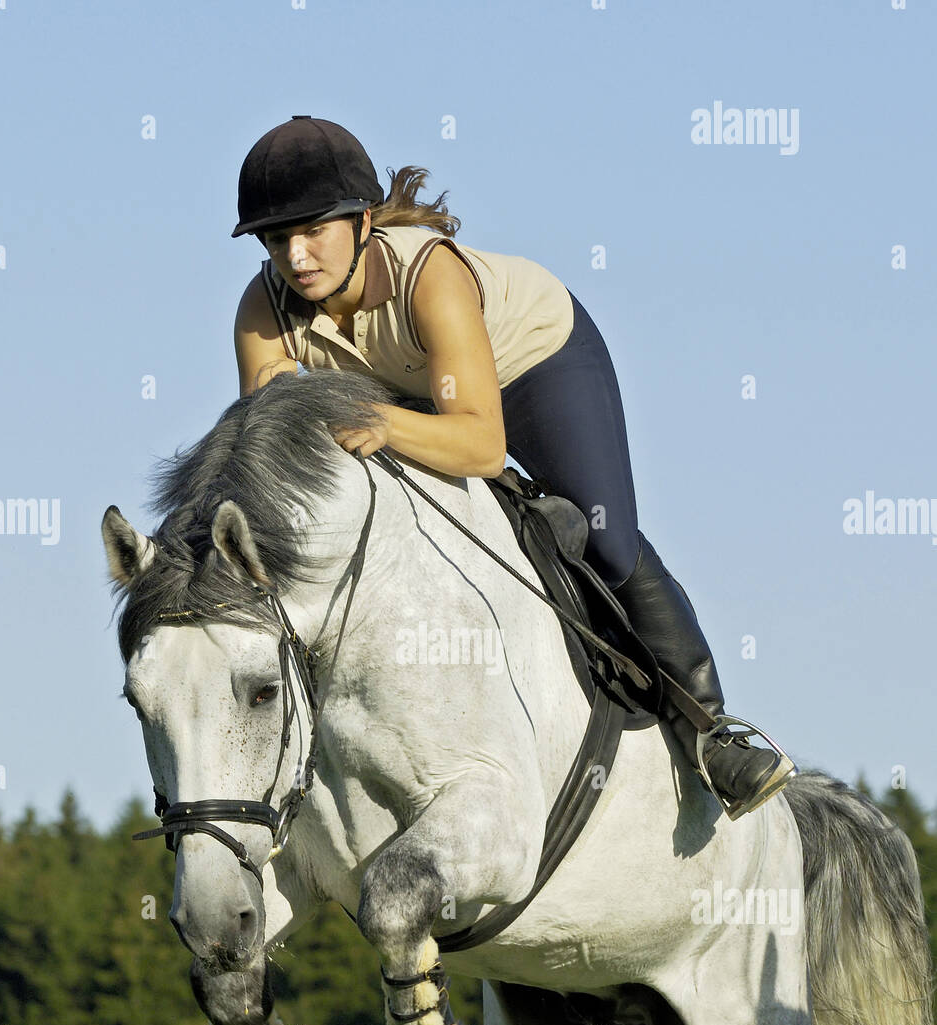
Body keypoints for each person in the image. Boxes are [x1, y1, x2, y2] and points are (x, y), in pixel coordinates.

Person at [232, 116, 795, 819]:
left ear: (364, 220)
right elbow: (275, 456)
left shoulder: (430, 275)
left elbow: (479, 446)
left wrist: (377, 421)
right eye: (277, 238)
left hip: (533, 362)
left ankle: (713, 735)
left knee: (603, 536)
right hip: (405, 388)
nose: (297, 254)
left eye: (314, 229)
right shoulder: (262, 308)